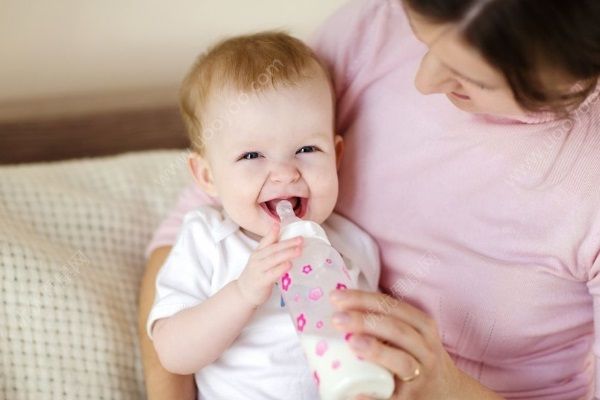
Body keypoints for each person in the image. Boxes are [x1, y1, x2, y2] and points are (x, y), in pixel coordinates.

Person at [138, 0, 600, 399]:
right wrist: (240, 295)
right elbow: (199, 210)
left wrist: (447, 389)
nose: (423, 79)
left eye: (470, 76)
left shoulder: (353, 248)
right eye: (420, 36)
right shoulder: (373, 24)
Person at [144, 31, 382, 400]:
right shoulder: (207, 239)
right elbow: (173, 353)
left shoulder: (351, 247)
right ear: (207, 176)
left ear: (336, 157)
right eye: (252, 156)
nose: (285, 173)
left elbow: (375, 337)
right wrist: (243, 292)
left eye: (306, 148)